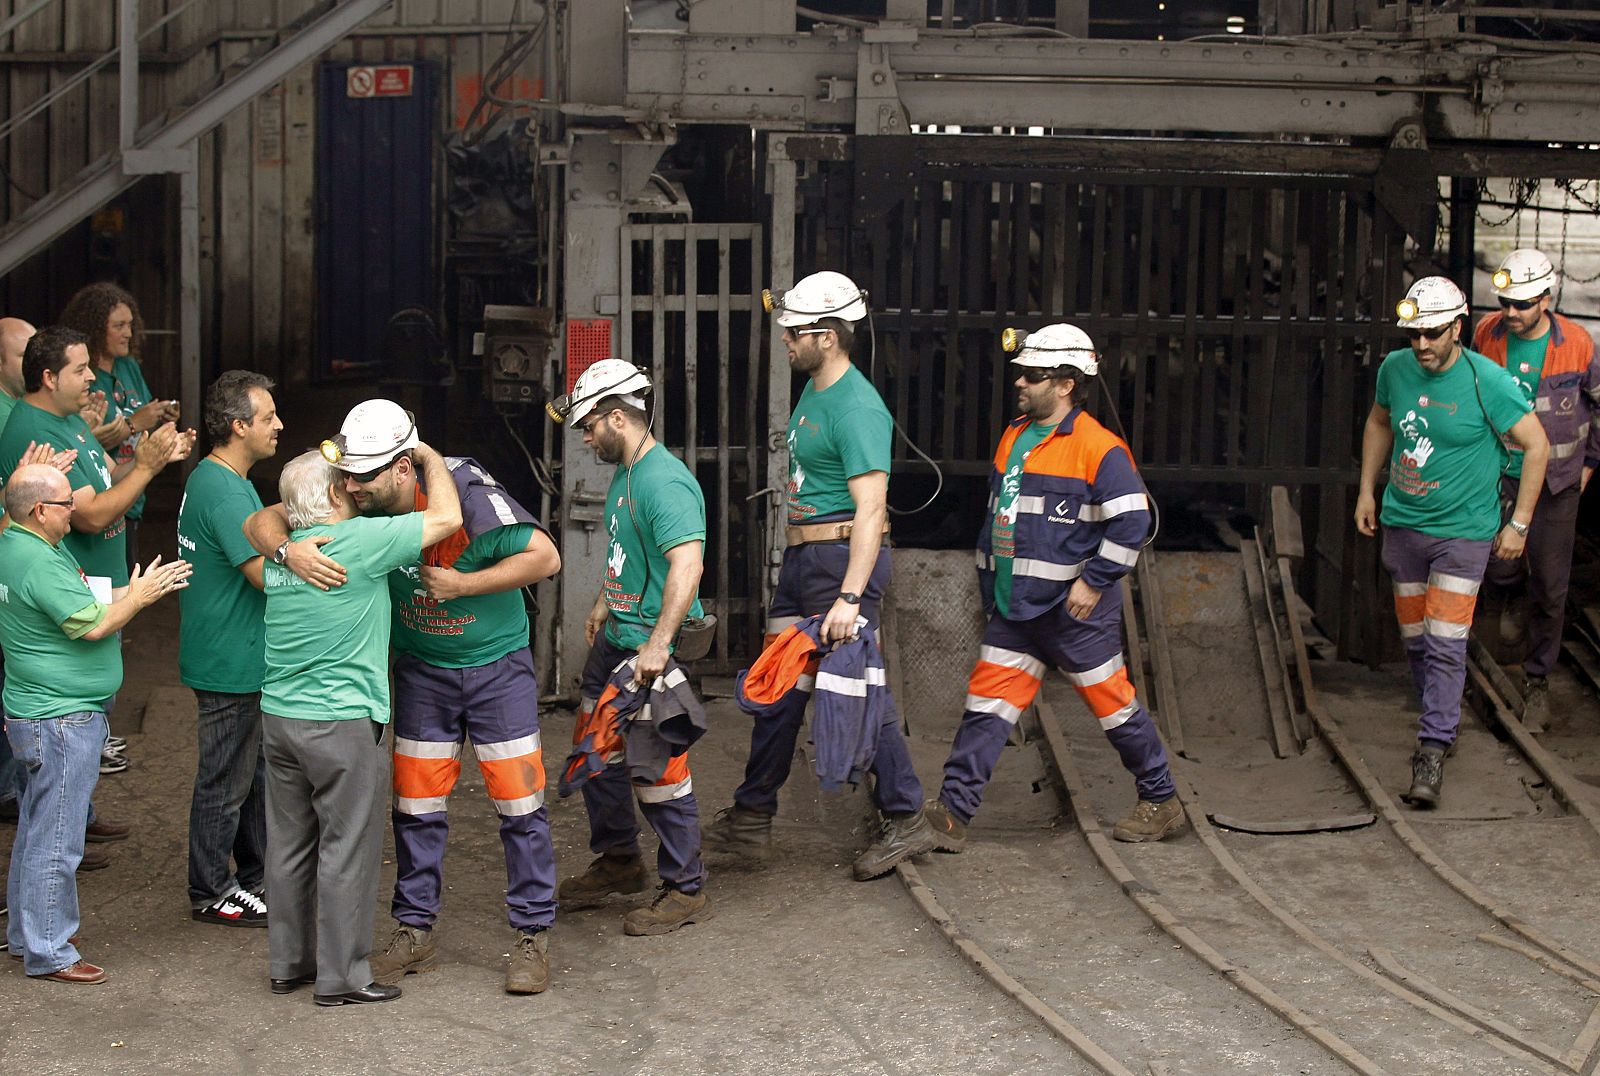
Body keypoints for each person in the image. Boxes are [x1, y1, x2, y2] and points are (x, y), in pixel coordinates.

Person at [250, 399, 562, 995]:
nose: (348, 487)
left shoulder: (464, 489)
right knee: (416, 812)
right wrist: (288, 548)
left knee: (520, 807)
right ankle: (414, 929)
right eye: (345, 476)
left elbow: (545, 556)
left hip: (496, 669)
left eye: (363, 476)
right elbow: (270, 514)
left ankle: (532, 934)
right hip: (423, 672)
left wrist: (464, 584)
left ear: (402, 467)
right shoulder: (355, 506)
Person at [702, 270, 935, 881]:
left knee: (855, 690)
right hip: (807, 559)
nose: (786, 340)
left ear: (828, 337)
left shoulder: (858, 407)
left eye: (795, 332)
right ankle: (753, 817)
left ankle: (906, 814)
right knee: (778, 686)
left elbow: (873, 509)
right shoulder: (815, 391)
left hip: (840, 564)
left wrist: (851, 597)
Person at [922, 324, 1181, 849]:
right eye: (1021, 373)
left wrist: (1095, 579)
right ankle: (952, 813)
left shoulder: (1099, 449)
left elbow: (1134, 522)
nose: (1020, 382)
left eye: (1033, 376)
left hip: (1074, 612)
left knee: (1114, 707)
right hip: (1015, 609)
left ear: (1066, 384)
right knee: (986, 711)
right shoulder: (1015, 434)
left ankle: (1161, 800)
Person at [253, 445, 460, 1006]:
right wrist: (424, 457)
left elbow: (258, 519)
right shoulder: (360, 543)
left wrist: (285, 544)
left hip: (279, 717)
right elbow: (448, 519)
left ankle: (288, 964)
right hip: (341, 722)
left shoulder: (287, 555)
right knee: (348, 848)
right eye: (346, 479)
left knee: (290, 844)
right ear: (340, 492)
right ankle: (342, 977)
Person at [1356, 275, 1550, 808]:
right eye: (1414, 335)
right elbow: (1379, 424)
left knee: (1445, 640)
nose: (1421, 345)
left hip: (1464, 532)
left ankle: (1433, 747)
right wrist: (1367, 492)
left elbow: (1537, 447)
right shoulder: (1395, 370)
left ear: (1457, 329)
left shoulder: (1489, 381)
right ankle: (1439, 716)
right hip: (1404, 524)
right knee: (1416, 638)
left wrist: (1520, 524)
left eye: (1433, 334)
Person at [0, 464, 189, 983]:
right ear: (40, 511)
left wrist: (124, 596)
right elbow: (94, 626)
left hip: (35, 709)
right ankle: (50, 950)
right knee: (58, 837)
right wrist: (142, 596)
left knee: (37, 830)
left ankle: (29, 932)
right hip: (60, 716)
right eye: (66, 503)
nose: (76, 509)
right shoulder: (37, 561)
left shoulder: (18, 543)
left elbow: (81, 607)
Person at [552, 360, 713, 935]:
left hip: (648, 650)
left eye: (590, 426)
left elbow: (686, 566)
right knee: (596, 747)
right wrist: (603, 599)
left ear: (618, 417)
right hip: (618, 639)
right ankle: (620, 861)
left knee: (657, 768)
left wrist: (658, 646)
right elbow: (631, 553)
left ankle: (685, 886)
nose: (586, 437)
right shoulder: (626, 472)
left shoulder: (663, 480)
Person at [1471, 249, 1600, 730]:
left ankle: (1538, 680)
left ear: (1546, 299)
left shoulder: (1579, 345)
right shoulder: (1488, 334)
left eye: (1522, 304)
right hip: (1500, 474)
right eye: (1505, 302)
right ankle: (1508, 591)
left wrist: (1589, 465)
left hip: (1556, 484)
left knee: (1551, 585)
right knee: (1497, 564)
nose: (1511, 313)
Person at [176, 372, 283, 927]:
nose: (279, 426)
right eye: (268, 417)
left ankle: (255, 878)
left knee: (253, 774)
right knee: (225, 780)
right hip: (229, 660)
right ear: (239, 425)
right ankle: (211, 888)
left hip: (238, 655)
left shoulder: (221, 479)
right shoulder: (223, 489)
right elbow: (261, 574)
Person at [59, 283, 180, 574]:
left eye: (130, 324)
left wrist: (160, 414)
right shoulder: (81, 380)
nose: (128, 332)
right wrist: (133, 423)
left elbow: (140, 414)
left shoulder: (128, 367)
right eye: (119, 326)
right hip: (100, 499)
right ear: (95, 328)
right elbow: (82, 440)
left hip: (133, 496)